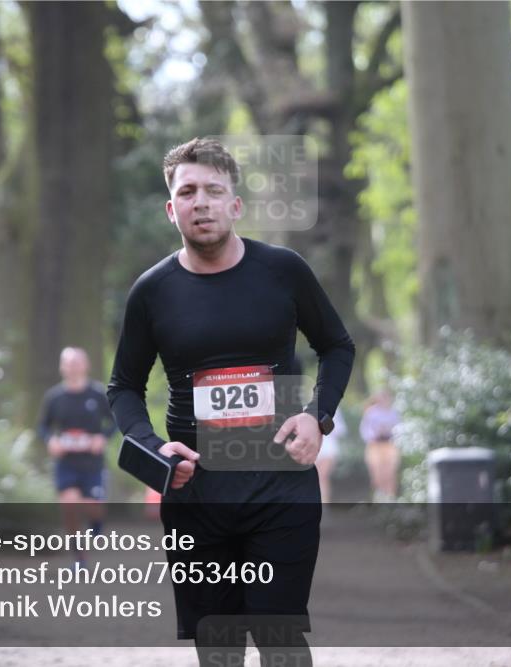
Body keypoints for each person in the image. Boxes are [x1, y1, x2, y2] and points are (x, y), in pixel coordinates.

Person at [108, 138, 354, 666]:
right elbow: (123, 387)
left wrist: (318, 416)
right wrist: (154, 449)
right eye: (188, 191)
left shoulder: (283, 271)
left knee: (279, 637)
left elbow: (336, 345)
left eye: (214, 190)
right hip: (197, 493)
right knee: (217, 647)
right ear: (172, 209)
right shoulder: (152, 291)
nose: (202, 202)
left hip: (280, 485)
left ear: (235, 205)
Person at [37, 347, 116, 566]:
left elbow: (114, 422)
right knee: (70, 506)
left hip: (92, 464)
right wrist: (51, 441)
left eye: (77, 362)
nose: (73, 367)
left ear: (86, 365)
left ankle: (97, 521)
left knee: (93, 507)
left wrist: (102, 438)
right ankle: (79, 558)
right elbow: (43, 427)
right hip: (66, 463)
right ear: (62, 367)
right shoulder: (54, 397)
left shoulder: (98, 394)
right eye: (68, 363)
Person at [359, 389, 402, 502]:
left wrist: (389, 431)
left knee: (390, 473)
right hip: (375, 445)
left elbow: (399, 429)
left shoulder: (393, 412)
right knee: (377, 474)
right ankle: (378, 498)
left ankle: (390, 498)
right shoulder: (371, 412)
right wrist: (376, 433)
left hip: (390, 445)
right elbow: (365, 430)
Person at [315, 409, 345, 504]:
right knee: (314, 478)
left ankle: (324, 504)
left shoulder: (334, 411)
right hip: (313, 448)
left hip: (328, 449)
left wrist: (324, 426)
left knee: (323, 477)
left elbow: (341, 430)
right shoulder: (307, 409)